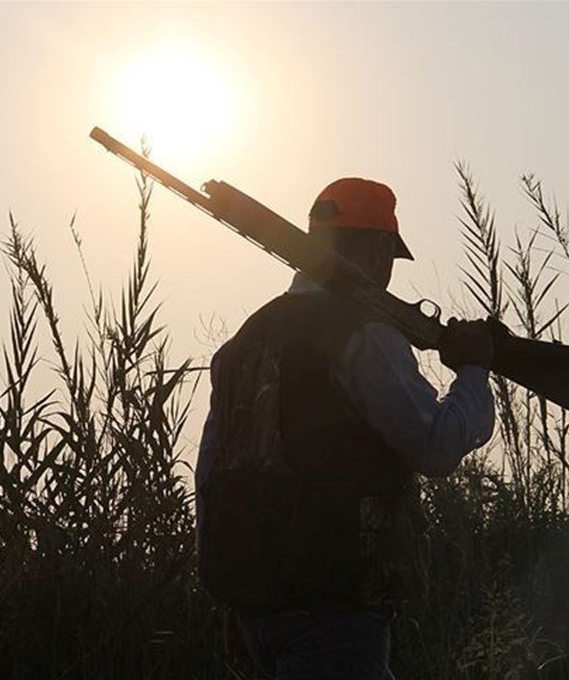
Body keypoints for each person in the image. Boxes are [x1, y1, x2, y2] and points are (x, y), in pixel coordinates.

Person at [195, 177, 496, 679]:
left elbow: (212, 479)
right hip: (334, 611)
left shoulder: (243, 342)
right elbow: (437, 447)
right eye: (389, 256)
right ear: (379, 249)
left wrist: (235, 598)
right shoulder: (363, 335)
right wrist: (473, 370)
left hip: (258, 613)